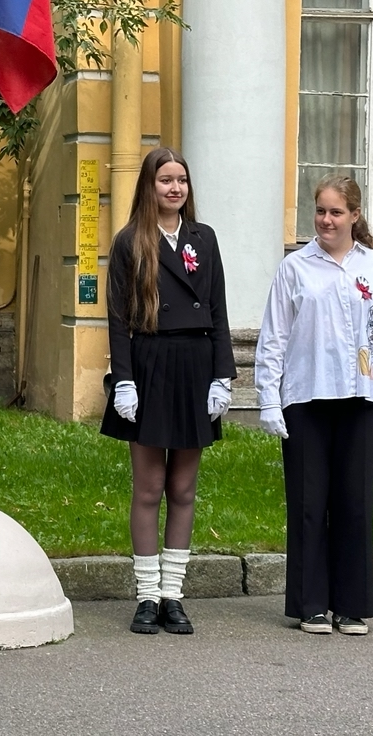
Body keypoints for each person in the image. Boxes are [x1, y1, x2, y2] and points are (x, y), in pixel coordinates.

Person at [254, 174, 373, 636]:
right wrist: (268, 398)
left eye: (335, 212)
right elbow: (274, 337)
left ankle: (351, 605)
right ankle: (311, 605)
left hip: (362, 397)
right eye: (320, 211)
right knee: (308, 502)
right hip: (307, 397)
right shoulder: (296, 268)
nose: (326, 220)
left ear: (354, 216)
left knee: (355, 502)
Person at [102, 147, 235, 635]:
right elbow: (117, 320)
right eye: (165, 180)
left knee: (183, 487)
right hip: (150, 363)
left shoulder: (205, 238)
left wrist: (223, 375)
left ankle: (174, 595)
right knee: (149, 486)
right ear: (149, 186)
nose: (175, 188)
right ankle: (146, 595)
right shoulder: (129, 242)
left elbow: (218, 309)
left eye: (181, 180)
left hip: (196, 367)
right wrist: (124, 380)